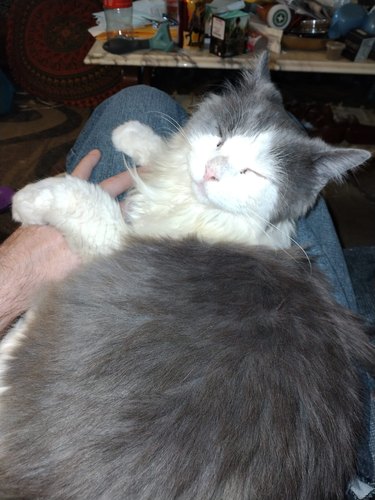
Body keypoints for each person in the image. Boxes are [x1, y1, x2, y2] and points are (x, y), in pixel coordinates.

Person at [0, 84, 373, 496]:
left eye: (253, 172)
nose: (212, 169)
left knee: (138, 101)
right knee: (147, 104)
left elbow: (123, 262)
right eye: (217, 141)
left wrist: (66, 214)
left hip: (55, 449)